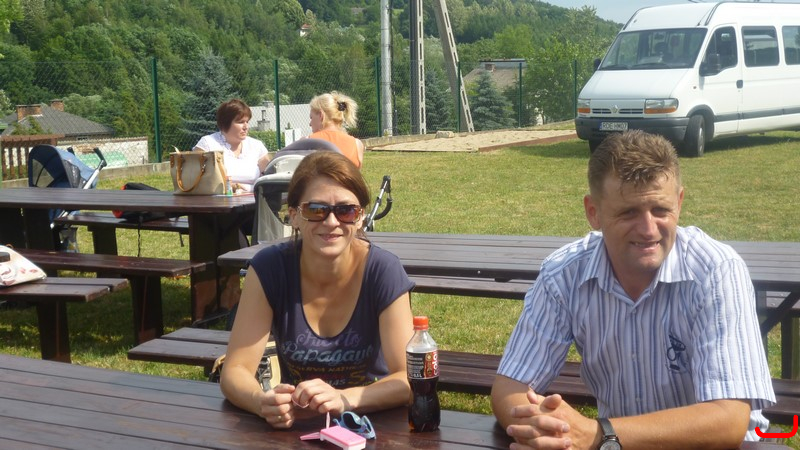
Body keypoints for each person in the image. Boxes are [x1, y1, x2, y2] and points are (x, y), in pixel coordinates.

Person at [491, 130, 775, 449]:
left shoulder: (715, 270)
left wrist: (599, 434)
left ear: (679, 202)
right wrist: (550, 432)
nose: (648, 229)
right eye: (628, 212)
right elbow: (510, 386)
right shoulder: (564, 273)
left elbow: (729, 420)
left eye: (661, 210)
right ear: (593, 212)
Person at [220, 151, 414, 428]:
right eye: (316, 210)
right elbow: (235, 371)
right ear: (294, 216)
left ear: (360, 217)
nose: (331, 222)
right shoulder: (268, 269)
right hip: (297, 425)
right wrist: (260, 401)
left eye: (346, 210)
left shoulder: (383, 270)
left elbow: (409, 379)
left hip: (372, 424)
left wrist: (344, 398)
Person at [193, 99, 271, 192]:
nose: (246, 127)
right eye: (241, 122)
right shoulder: (208, 144)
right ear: (225, 123)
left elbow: (269, 180)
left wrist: (242, 188)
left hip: (253, 198)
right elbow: (195, 178)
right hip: (217, 199)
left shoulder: (256, 146)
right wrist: (232, 187)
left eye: (247, 122)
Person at [308, 91, 366, 169]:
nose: (310, 124)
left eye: (311, 118)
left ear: (321, 115)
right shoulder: (357, 145)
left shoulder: (306, 142)